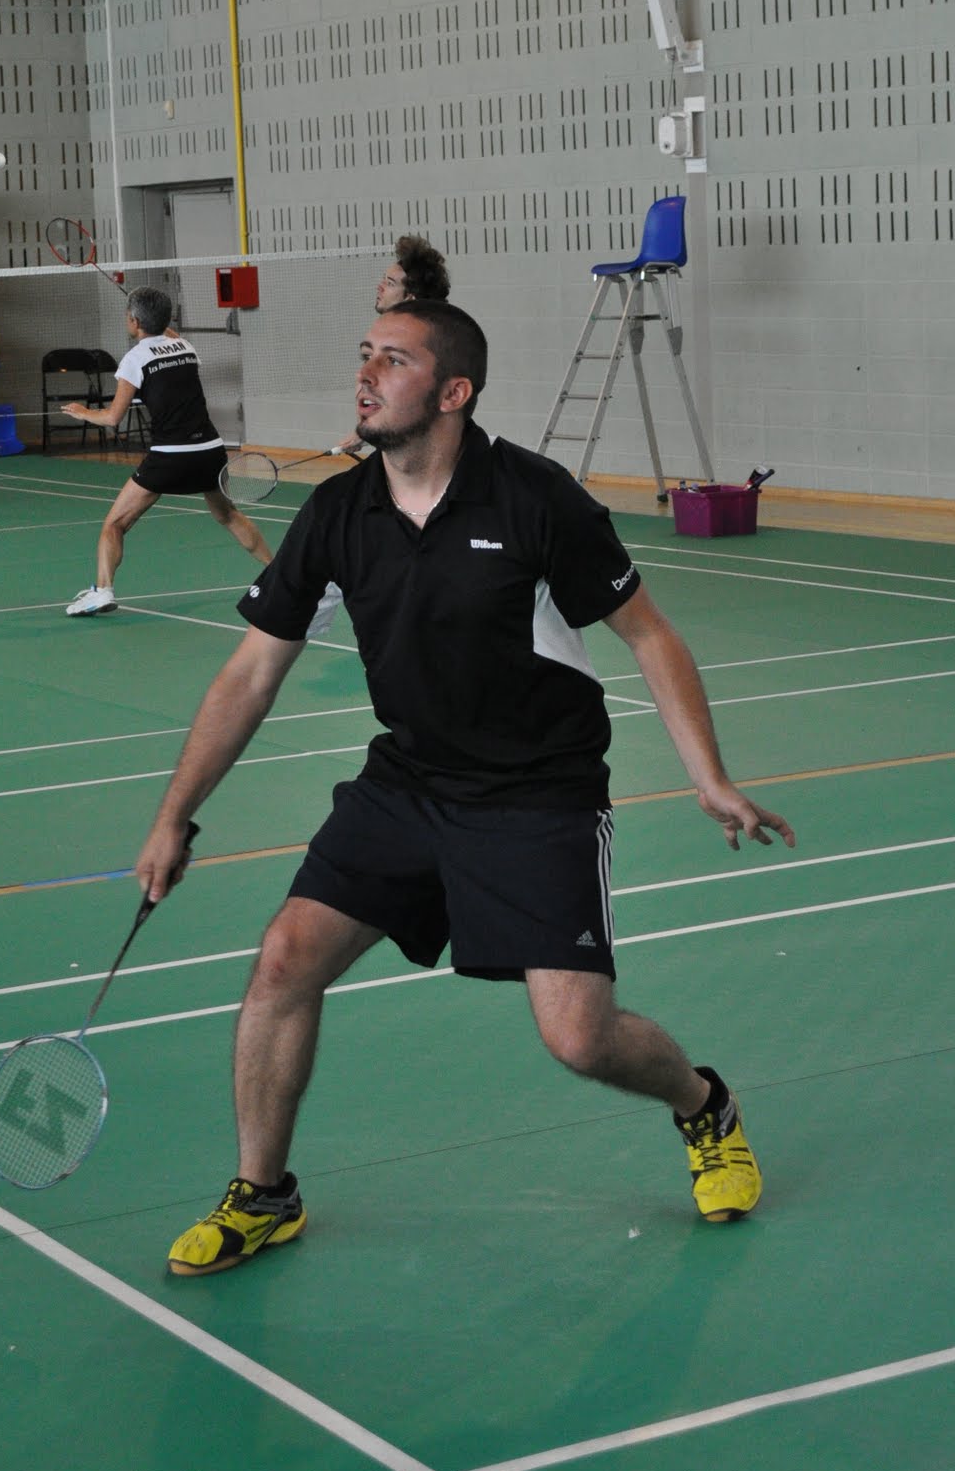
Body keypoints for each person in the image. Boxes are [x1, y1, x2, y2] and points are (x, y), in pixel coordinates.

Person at [135, 298, 795, 1278]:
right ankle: (263, 1192)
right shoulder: (337, 512)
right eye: (364, 354)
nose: (365, 375)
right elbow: (250, 673)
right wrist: (173, 814)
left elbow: (648, 634)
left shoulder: (532, 499)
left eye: (392, 360)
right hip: (408, 780)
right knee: (283, 961)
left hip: (538, 795)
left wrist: (709, 776)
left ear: (452, 392)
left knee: (579, 1039)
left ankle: (703, 1105)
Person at [61, 285, 272, 616]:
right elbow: (167, 336)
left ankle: (102, 591)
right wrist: (157, 322)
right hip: (210, 451)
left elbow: (113, 418)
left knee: (114, 524)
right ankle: (280, 573)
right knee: (228, 515)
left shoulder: (134, 360)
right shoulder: (186, 347)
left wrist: (83, 412)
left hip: (170, 457)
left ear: (134, 321)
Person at [333, 235, 451, 457]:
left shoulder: (422, 344)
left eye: (390, 283)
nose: (380, 287)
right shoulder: (403, 336)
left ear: (409, 297)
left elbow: (413, 402)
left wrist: (367, 431)